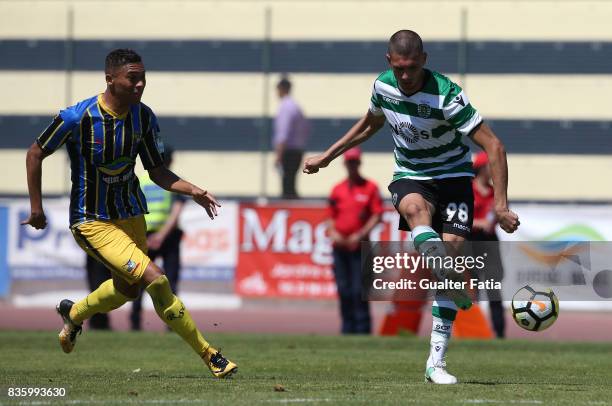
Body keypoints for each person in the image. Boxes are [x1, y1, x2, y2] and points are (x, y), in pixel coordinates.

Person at [303, 30, 519, 384]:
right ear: (390, 62)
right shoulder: (382, 87)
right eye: (400, 68)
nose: (406, 76)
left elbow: (494, 146)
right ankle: (446, 273)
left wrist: (500, 205)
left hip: (453, 178)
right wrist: (328, 156)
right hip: (412, 174)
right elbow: (369, 124)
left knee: (449, 255)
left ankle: (436, 362)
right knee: (417, 212)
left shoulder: (447, 96)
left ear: (425, 60)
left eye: (413, 68)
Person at [22, 48, 237, 378]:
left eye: (143, 79)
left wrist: (192, 189)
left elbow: (158, 171)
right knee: (156, 278)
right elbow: (35, 153)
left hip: (131, 212)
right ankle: (211, 355)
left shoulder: (144, 116)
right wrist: (36, 208)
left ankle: (74, 314)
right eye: (132, 79)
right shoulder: (77, 118)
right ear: (110, 79)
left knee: (128, 290)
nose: (139, 85)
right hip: (91, 219)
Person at [327, 147, 383, 334]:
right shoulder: (337, 189)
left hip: (360, 248)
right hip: (340, 247)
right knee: (344, 289)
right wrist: (333, 232)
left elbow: (376, 215)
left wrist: (360, 234)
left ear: (359, 163)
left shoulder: (370, 188)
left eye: (355, 162)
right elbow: (330, 215)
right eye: (349, 162)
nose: (352, 165)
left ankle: (363, 329)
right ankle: (347, 329)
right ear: (345, 164)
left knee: (359, 290)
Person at [130, 145, 186, 331]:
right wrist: (161, 236)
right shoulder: (174, 182)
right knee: (171, 281)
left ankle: (135, 323)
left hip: (145, 235)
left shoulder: (141, 181)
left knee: (141, 279)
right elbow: (176, 212)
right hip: (167, 237)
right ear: (170, 161)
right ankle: (173, 323)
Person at [471, 151, 505, 338]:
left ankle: (499, 333)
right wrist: (479, 223)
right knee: (472, 290)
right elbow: (457, 220)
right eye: (491, 166)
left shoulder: (494, 192)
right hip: (472, 243)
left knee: (494, 289)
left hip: (490, 243)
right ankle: (474, 332)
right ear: (481, 168)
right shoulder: (467, 189)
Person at [273, 76, 310, 199]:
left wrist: (278, 155)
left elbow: (283, 134)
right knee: (292, 183)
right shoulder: (296, 106)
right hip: (297, 150)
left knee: (287, 185)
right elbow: (306, 129)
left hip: (288, 151)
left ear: (282, 89)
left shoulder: (285, 107)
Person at [85, 256, 112, 330]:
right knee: (98, 289)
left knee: (100, 290)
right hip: (97, 256)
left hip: (98, 255)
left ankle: (100, 322)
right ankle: (97, 322)